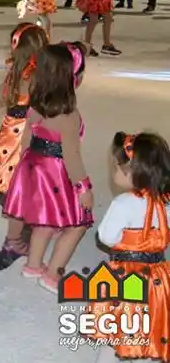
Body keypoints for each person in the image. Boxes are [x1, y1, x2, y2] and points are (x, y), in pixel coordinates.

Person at [3, 43, 92, 292]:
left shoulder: (35, 104)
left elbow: (26, 137)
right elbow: (72, 156)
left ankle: (33, 265)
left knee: (44, 219)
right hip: (56, 170)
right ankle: (53, 274)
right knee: (77, 224)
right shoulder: (68, 116)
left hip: (33, 165)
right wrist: (83, 188)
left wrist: (24, 164)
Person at [91, 131, 170, 363]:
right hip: (157, 275)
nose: (114, 171)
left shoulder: (123, 203)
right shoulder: (166, 202)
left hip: (125, 274)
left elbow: (106, 237)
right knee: (150, 322)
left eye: (117, 167)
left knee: (116, 325)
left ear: (132, 174)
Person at [0, 23, 49, 256]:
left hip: (9, 134)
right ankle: (13, 239)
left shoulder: (15, 73)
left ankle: (24, 220)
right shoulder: (37, 77)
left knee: (19, 185)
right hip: (26, 137)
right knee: (24, 189)